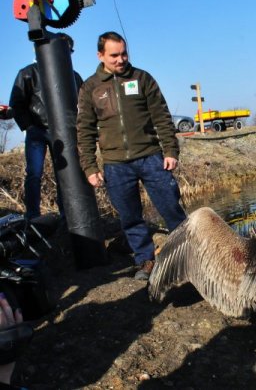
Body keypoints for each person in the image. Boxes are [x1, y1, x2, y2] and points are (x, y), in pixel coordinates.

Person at [77, 31, 187, 280]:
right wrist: (90, 167)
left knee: (172, 209)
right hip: (116, 165)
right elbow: (83, 130)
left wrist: (170, 150)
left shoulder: (142, 78)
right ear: (100, 55)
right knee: (130, 218)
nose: (120, 59)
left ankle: (188, 257)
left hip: (151, 158)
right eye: (114, 55)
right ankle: (145, 262)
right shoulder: (91, 88)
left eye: (124, 53)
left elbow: (161, 116)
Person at [4, 33, 83, 221]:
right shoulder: (28, 72)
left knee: (65, 174)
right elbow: (17, 102)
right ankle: (32, 215)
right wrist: (29, 127)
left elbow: (82, 104)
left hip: (63, 132)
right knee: (34, 174)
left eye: (68, 50)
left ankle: (67, 214)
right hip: (37, 131)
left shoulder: (74, 76)